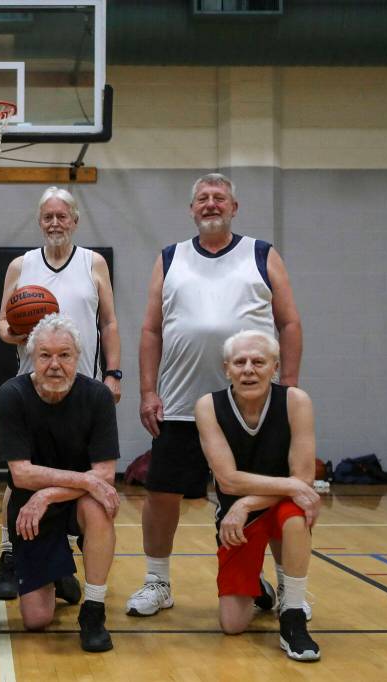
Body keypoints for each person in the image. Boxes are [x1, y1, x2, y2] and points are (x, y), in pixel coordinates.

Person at [128, 172, 303, 618]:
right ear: (192, 209)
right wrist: (148, 390)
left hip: (252, 408)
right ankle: (157, 581)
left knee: (273, 496)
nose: (211, 204)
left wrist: (288, 387)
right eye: (203, 198)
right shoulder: (170, 258)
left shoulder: (261, 254)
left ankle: (287, 588)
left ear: (234, 207)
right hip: (181, 402)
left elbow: (289, 323)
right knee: (162, 493)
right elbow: (150, 329)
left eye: (219, 198)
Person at [0, 186, 122, 601]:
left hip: (82, 382)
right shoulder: (21, 265)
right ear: (39, 221)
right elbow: (1, 324)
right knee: (22, 473)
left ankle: (60, 561)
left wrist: (113, 374)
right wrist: (15, 331)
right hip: (34, 381)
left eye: (61, 216)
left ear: (75, 220)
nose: (54, 223)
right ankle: (11, 554)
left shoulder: (93, 263)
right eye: (47, 216)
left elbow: (109, 323)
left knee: (77, 472)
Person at [0, 313, 121, 652]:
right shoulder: (12, 394)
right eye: (45, 355)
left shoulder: (97, 396)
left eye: (64, 355)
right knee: (36, 620)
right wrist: (83, 482)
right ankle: (58, 572)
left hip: (70, 501)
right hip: (31, 508)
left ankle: (93, 610)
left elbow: (105, 476)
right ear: (31, 358)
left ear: (77, 357)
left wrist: (49, 493)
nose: (54, 365)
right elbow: (21, 474)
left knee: (99, 506)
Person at [194, 330, 320, 661]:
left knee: (296, 514)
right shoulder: (209, 406)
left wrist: (249, 501)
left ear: (275, 367)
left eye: (258, 362)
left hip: (271, 507)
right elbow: (228, 480)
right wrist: (291, 486)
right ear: (227, 369)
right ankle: (259, 586)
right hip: (238, 520)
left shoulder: (296, 401)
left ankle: (293, 615)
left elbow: (304, 478)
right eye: (240, 362)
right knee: (232, 625)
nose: (248, 369)